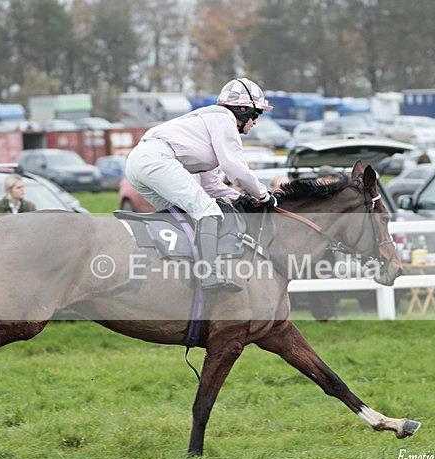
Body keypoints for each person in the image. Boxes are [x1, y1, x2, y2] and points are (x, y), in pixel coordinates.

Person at [125, 77, 276, 293]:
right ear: (242, 109)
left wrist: (238, 197)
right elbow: (236, 169)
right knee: (207, 210)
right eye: (256, 114)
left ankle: (176, 273)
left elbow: (210, 186)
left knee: (184, 216)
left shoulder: (209, 127)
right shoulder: (225, 120)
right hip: (157, 159)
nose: (255, 121)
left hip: (139, 163)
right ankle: (208, 274)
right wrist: (264, 196)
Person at [307, 165, 343, 321]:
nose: (332, 181)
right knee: (314, 279)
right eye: (329, 178)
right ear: (322, 179)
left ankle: (329, 313)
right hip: (312, 246)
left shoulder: (334, 197)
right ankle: (321, 314)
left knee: (325, 277)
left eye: (333, 178)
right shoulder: (314, 196)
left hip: (328, 248)